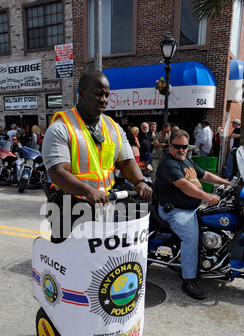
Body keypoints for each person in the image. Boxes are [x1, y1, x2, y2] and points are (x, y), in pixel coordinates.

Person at [42, 70, 152, 241]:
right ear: (82, 93)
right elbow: (58, 172)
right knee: (71, 261)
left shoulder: (113, 127)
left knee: (106, 261)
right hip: (72, 207)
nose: (104, 100)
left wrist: (140, 181)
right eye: (98, 94)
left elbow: (127, 161)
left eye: (107, 95)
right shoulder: (61, 127)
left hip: (107, 205)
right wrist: (88, 191)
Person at [156, 129, 231, 300]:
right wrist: (206, 196)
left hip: (191, 207)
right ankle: (188, 280)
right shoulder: (169, 164)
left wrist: (228, 182)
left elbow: (205, 175)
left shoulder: (186, 160)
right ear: (170, 145)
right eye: (177, 146)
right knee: (190, 237)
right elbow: (183, 185)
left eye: (184, 146)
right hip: (175, 210)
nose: (181, 150)